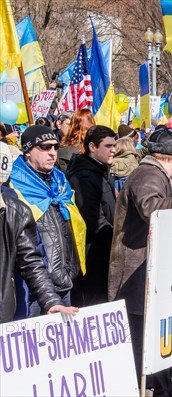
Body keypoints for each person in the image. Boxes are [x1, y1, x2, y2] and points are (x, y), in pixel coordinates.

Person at [108, 126, 172, 396]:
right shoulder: (148, 174)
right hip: (136, 275)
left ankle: (162, 388)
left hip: (146, 272)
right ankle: (155, 390)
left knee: (156, 339)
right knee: (146, 343)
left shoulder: (151, 173)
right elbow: (152, 209)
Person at [9, 125, 86, 316]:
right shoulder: (14, 185)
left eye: (55, 146)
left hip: (63, 278)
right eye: (44, 147)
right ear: (27, 151)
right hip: (30, 286)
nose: (52, 153)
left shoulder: (60, 180)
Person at [67, 126, 117, 306]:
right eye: (108, 146)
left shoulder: (100, 171)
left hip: (102, 252)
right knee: (94, 304)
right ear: (92, 147)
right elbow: (93, 220)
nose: (113, 150)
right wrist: (116, 240)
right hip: (91, 256)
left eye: (114, 145)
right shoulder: (85, 177)